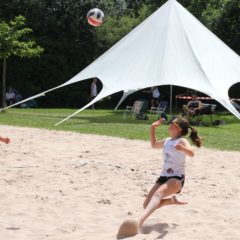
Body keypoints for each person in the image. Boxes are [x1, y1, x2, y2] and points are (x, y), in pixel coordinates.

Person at [138, 117, 201, 229]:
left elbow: (191, 154)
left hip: (176, 177)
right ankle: (171, 200)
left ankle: (140, 220)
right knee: (146, 205)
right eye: (170, 123)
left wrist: (182, 148)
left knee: (158, 194)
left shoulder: (181, 141)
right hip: (163, 176)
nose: (170, 125)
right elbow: (154, 145)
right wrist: (152, 128)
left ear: (179, 129)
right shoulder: (167, 140)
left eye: (173, 124)